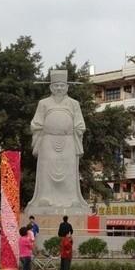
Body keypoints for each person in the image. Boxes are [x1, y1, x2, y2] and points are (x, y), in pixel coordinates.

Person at [28, 69, 89, 210]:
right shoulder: (43, 103)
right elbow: (35, 123)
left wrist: (76, 129)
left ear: (67, 87)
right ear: (51, 87)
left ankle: (72, 199)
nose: (59, 88)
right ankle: (45, 198)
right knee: (46, 170)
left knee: (69, 170)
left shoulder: (74, 104)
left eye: (62, 85)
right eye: (56, 85)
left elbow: (80, 123)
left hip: (68, 141)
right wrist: (44, 128)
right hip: (48, 140)